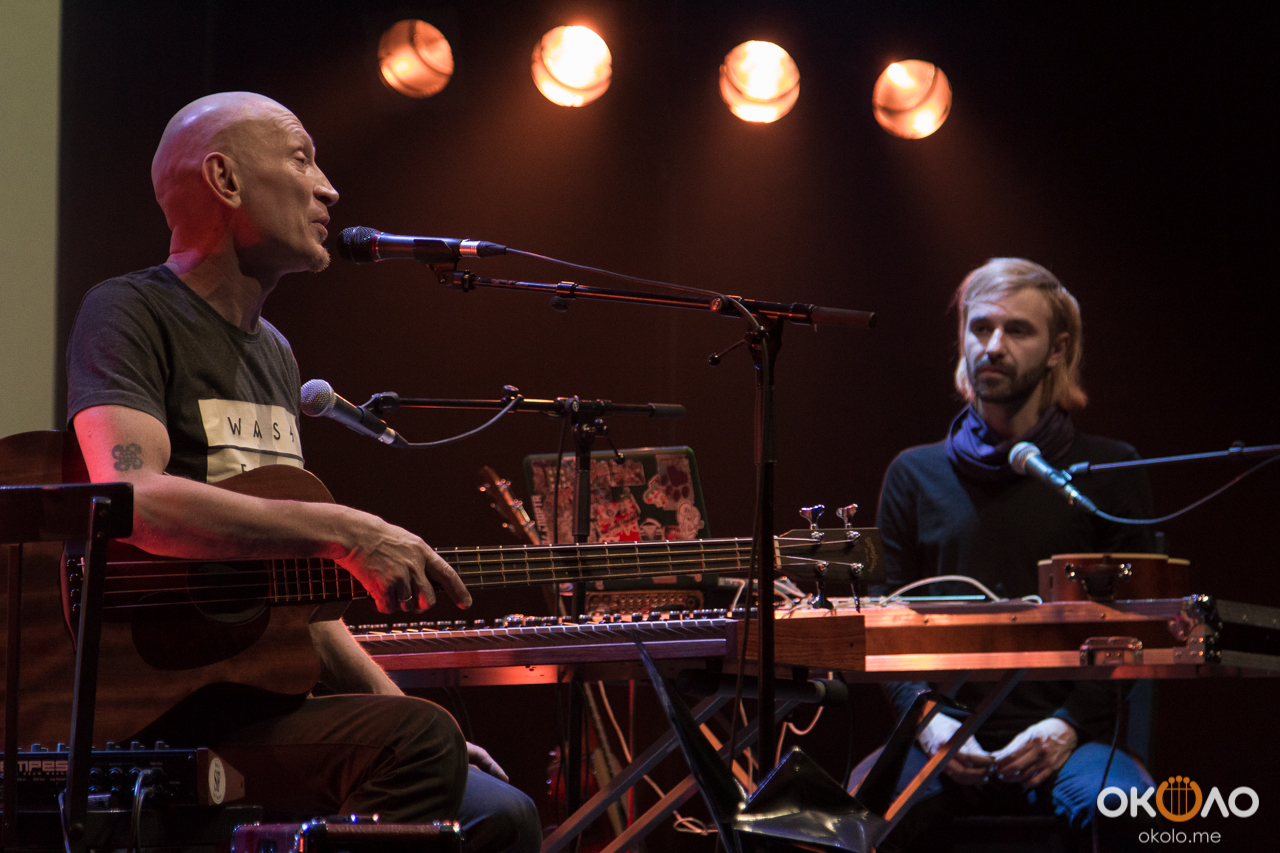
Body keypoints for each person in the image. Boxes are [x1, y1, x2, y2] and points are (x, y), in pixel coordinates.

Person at [66, 92, 539, 853]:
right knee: (418, 742)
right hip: (160, 708)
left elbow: (295, 602)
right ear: (224, 179)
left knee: (501, 811)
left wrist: (404, 706)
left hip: (259, 702)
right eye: (301, 159)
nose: (329, 188)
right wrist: (346, 530)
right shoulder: (129, 311)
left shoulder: (275, 353)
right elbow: (131, 495)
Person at [853, 258, 1157, 851]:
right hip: (940, 735)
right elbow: (882, 618)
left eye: (1017, 330)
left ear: (1057, 348)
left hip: (1072, 739)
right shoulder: (913, 475)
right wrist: (928, 721)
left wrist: (1067, 725)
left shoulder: (1109, 470)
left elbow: (1136, 626)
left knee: (1127, 814)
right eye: (980, 327)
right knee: (853, 820)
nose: (993, 346)